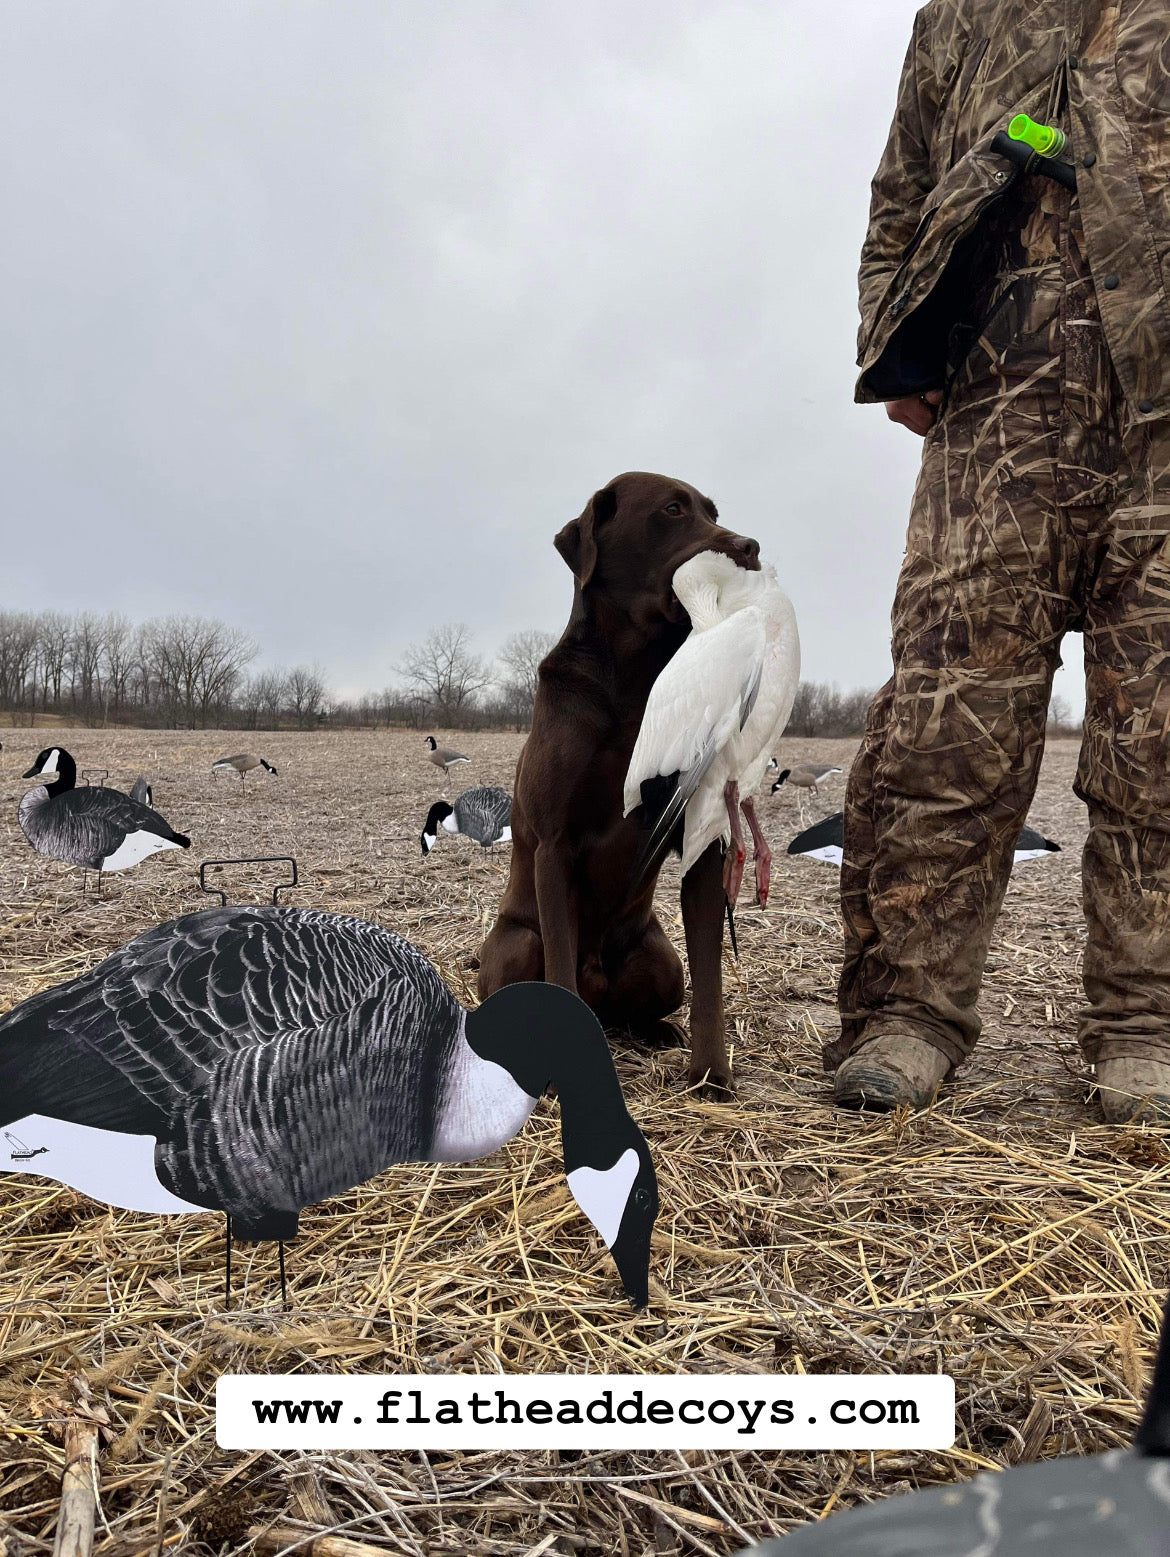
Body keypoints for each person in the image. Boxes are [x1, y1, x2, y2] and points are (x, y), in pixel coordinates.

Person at [830, 1, 1170, 1123]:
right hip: (994, 405)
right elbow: (902, 187)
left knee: (1161, 737)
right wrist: (893, 344)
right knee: (947, 717)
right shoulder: (963, 14)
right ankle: (907, 1014)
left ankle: (1146, 1027)